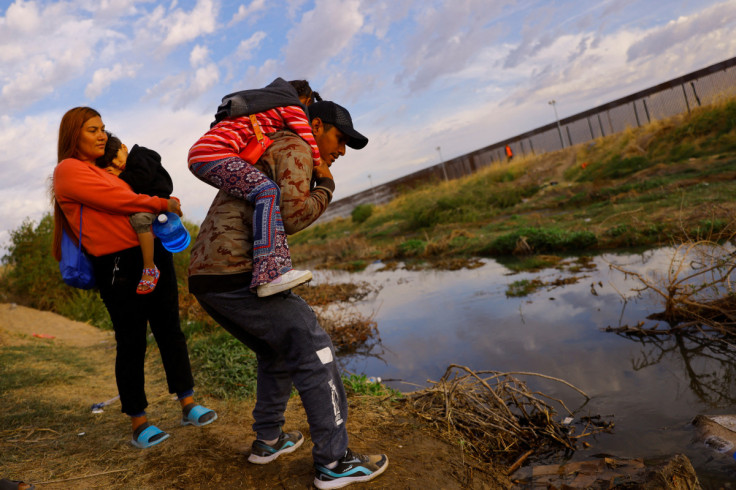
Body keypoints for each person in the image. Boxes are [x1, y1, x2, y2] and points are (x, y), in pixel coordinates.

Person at [188, 101, 389, 489]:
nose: (342, 150)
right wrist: (327, 185)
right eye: (340, 138)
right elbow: (292, 214)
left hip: (207, 274)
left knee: (275, 349)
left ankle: (268, 441)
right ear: (316, 125)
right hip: (236, 269)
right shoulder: (295, 145)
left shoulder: (269, 144)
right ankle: (334, 461)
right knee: (313, 346)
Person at [51, 107, 216, 450]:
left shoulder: (105, 168)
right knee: (131, 341)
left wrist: (162, 199)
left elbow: (143, 186)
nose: (102, 136)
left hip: (154, 254)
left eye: (103, 129)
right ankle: (139, 422)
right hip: (117, 267)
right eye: (93, 130)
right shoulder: (68, 171)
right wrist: (161, 203)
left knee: (170, 329)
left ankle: (188, 403)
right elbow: (119, 200)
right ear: (73, 136)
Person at [187, 78, 322, 297]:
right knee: (267, 191)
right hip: (213, 153)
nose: (305, 113)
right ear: (304, 100)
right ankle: (267, 275)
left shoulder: (262, 108)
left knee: (263, 193)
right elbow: (307, 137)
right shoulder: (291, 105)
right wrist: (319, 166)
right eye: (307, 107)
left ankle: (277, 268)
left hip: (203, 153)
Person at [96, 133, 173, 295]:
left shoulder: (140, 155)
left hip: (158, 200)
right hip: (151, 203)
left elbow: (142, 180)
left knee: (139, 219)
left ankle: (150, 267)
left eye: (117, 157)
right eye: (112, 164)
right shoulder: (131, 166)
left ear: (124, 148)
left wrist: (120, 176)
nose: (118, 164)